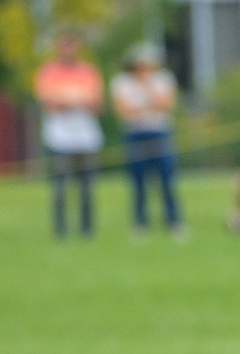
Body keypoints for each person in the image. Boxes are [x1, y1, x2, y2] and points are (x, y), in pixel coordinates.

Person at [111, 43, 184, 240]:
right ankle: (141, 223)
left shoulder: (163, 79)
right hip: (135, 134)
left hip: (159, 132)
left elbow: (166, 105)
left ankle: (174, 222)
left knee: (167, 178)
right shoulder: (122, 82)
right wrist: (147, 106)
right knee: (138, 180)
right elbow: (124, 112)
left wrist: (146, 91)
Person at [34, 32, 104, 239]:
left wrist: (69, 101)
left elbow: (97, 104)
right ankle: (61, 229)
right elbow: (49, 103)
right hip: (60, 135)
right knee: (60, 185)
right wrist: (76, 101)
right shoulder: (48, 72)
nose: (69, 50)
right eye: (65, 46)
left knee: (86, 186)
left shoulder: (88, 72)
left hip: (85, 135)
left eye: (72, 46)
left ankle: (87, 229)